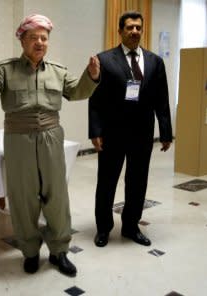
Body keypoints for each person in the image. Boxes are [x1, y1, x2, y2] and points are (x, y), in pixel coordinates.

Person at [0, 14, 100, 277]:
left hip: (51, 135)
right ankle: (29, 252)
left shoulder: (58, 71)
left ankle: (59, 251)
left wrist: (92, 77)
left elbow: (77, 92)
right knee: (23, 198)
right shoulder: (6, 69)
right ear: (22, 40)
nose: (40, 42)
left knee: (56, 197)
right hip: (18, 139)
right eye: (34, 37)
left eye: (44, 38)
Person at [88, 11, 172, 248]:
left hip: (142, 134)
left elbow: (161, 99)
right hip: (112, 133)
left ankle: (131, 226)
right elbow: (95, 99)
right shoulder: (104, 60)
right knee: (107, 182)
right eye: (129, 28)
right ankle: (103, 228)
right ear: (120, 31)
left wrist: (165, 132)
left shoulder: (155, 61)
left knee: (137, 182)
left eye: (138, 27)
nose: (135, 31)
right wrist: (95, 131)